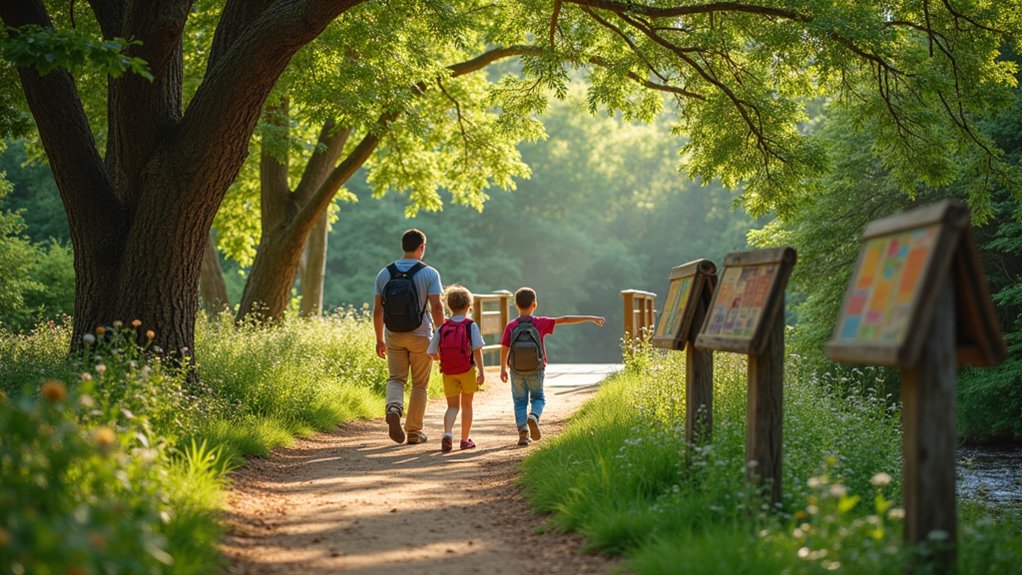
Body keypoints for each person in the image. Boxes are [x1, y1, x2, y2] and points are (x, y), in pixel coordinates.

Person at [500, 287, 605, 446]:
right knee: (538, 397)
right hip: (536, 369)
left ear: (516, 305)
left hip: (516, 371)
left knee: (519, 401)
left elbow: (504, 347)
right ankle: (534, 416)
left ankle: (522, 432)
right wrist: (591, 318)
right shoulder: (540, 323)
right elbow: (566, 319)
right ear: (534, 305)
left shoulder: (511, 326)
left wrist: (502, 368)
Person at [373, 228, 445, 445]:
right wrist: (442, 337)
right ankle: (413, 431)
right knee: (420, 385)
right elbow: (437, 307)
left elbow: (378, 311)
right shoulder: (430, 273)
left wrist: (379, 339)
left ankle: (394, 407)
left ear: (403, 246)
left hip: (393, 334)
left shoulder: (384, 273)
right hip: (421, 335)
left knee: (396, 378)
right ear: (421, 247)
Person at [427, 285, 486, 452]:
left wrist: (443, 358)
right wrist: (481, 372)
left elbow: (431, 352)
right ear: (469, 306)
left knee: (452, 406)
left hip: (448, 372)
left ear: (449, 306)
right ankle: (464, 440)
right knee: (467, 405)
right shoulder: (470, 325)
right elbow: (477, 349)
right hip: (467, 370)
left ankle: (447, 434)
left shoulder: (443, 327)